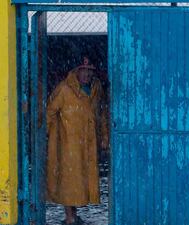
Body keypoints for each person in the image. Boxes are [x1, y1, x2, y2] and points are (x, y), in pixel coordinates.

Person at [46, 58, 109, 225]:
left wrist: (104, 136)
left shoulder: (96, 89)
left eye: (90, 70)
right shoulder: (64, 89)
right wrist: (48, 137)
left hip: (88, 142)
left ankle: (73, 215)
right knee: (69, 180)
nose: (87, 73)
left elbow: (102, 113)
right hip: (68, 143)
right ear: (76, 71)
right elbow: (49, 112)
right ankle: (69, 217)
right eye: (84, 69)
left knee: (79, 181)